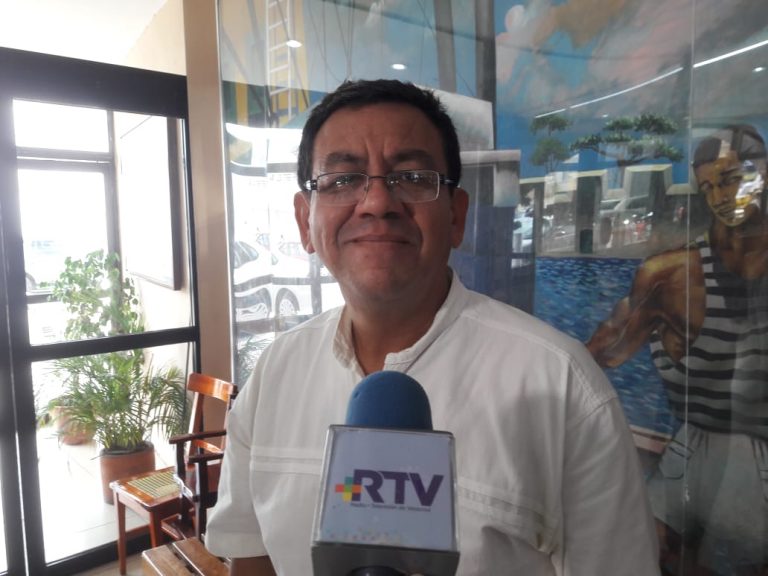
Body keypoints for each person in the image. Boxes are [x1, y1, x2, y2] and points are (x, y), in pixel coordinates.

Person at [206, 79, 659, 575]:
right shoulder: (275, 373)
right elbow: (251, 556)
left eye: (412, 177)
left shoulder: (564, 385)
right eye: (343, 180)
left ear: (456, 215)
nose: (377, 203)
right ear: (304, 221)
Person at [586, 125, 768, 575]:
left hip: (751, 455)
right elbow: (600, 353)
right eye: (708, 187)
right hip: (694, 445)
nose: (720, 197)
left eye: (730, 179)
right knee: (646, 552)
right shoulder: (673, 275)